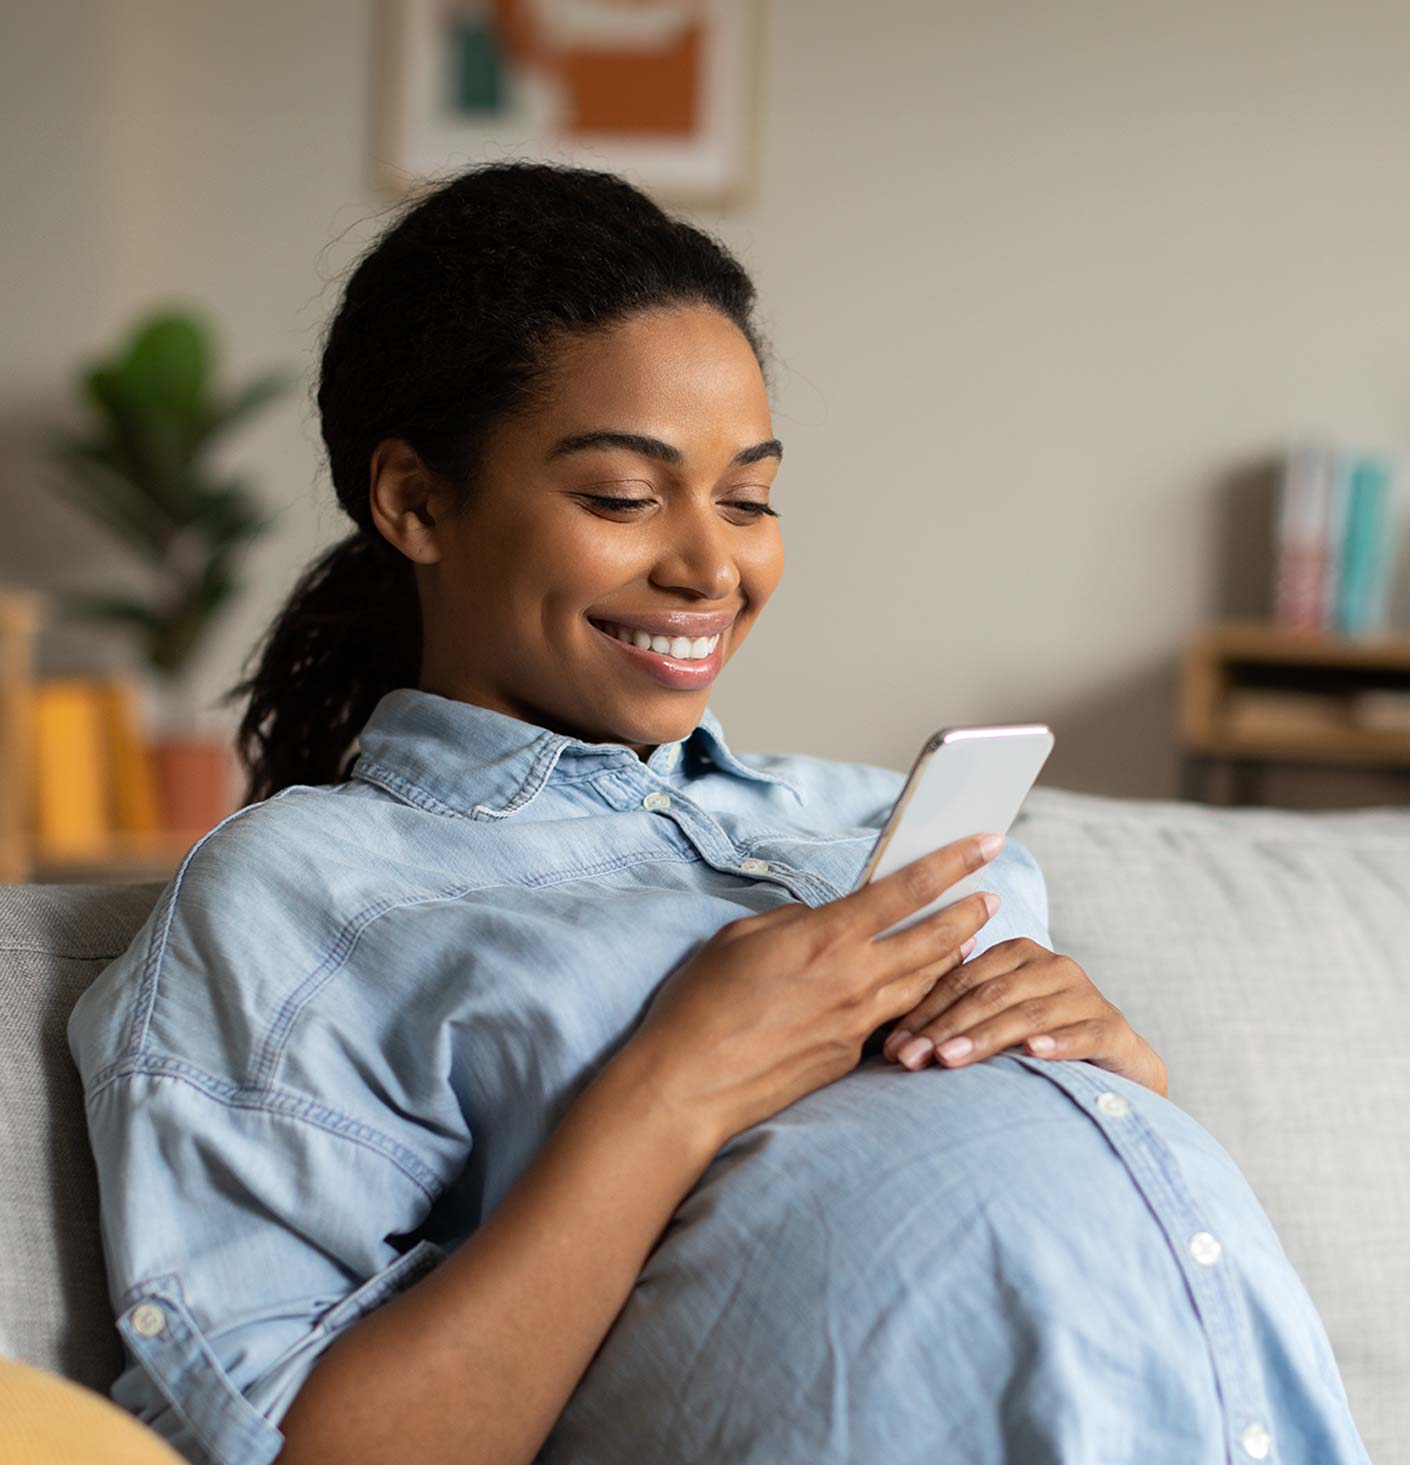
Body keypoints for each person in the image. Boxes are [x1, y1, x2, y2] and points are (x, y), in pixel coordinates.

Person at [68, 161, 1370, 1465]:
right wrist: (670, 1088)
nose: (710, 565)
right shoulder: (304, 897)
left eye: (748, 497)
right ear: (415, 499)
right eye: (622, 498)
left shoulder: (874, 823)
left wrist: (1112, 1077)